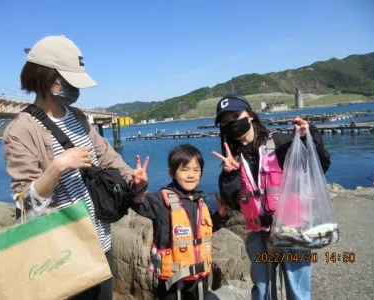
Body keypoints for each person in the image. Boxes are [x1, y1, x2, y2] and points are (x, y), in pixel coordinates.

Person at [2, 35, 149, 300]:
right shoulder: (21, 130)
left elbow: (107, 157)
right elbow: (24, 204)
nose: (75, 89)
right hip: (63, 254)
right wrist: (57, 166)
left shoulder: (79, 117)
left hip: (101, 242)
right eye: (69, 80)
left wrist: (134, 179)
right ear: (46, 77)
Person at [211, 94, 331, 300]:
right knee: (262, 291)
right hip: (258, 235)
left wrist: (308, 138)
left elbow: (318, 166)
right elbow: (234, 203)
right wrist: (230, 174)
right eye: (225, 121)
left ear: (250, 116)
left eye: (236, 115)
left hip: (292, 229)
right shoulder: (233, 158)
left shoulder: (281, 142)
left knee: (297, 291)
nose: (231, 123)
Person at [131, 144, 229, 300]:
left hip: (199, 279)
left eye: (196, 170)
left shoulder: (200, 200)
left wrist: (220, 215)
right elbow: (139, 204)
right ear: (171, 172)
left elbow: (204, 231)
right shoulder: (161, 200)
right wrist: (138, 188)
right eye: (184, 169)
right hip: (173, 283)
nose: (191, 175)